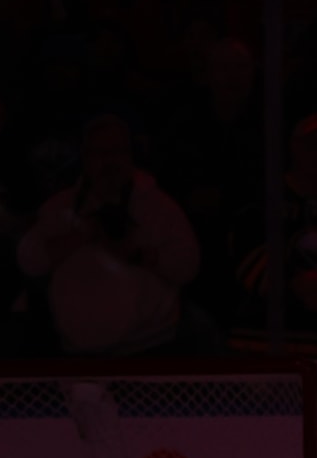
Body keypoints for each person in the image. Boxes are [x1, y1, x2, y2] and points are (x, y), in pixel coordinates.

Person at [17, 115, 201, 356]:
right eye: (99, 153)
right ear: (85, 157)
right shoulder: (60, 207)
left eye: (117, 151)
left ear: (130, 155)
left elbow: (187, 266)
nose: (109, 161)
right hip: (79, 355)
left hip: (148, 350)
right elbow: (29, 261)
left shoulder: (159, 207)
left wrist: (137, 254)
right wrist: (82, 235)